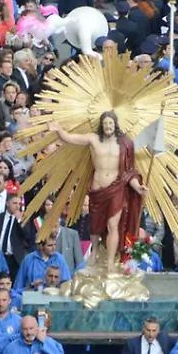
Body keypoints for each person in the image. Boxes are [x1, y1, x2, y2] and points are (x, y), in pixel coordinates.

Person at [49, 111, 148, 265]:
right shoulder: (93, 139)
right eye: (105, 123)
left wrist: (137, 187)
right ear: (101, 125)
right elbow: (70, 138)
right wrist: (58, 130)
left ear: (115, 124)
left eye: (110, 123)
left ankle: (110, 261)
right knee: (95, 225)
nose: (108, 126)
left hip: (116, 189)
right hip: (98, 189)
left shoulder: (125, 143)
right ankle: (94, 252)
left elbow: (129, 172)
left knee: (112, 224)